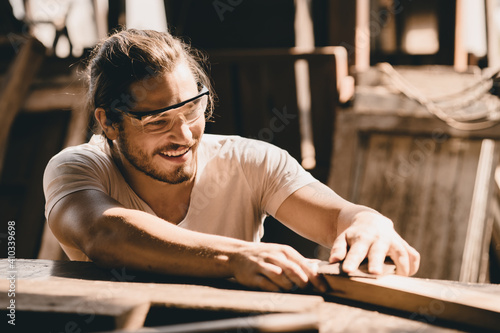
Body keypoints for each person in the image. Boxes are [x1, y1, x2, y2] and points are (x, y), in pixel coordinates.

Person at [43, 29, 419, 292]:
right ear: (108, 122)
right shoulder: (77, 168)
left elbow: (337, 218)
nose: (185, 135)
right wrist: (238, 257)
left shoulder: (250, 161)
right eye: (158, 122)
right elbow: (104, 234)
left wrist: (368, 221)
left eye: (192, 110)